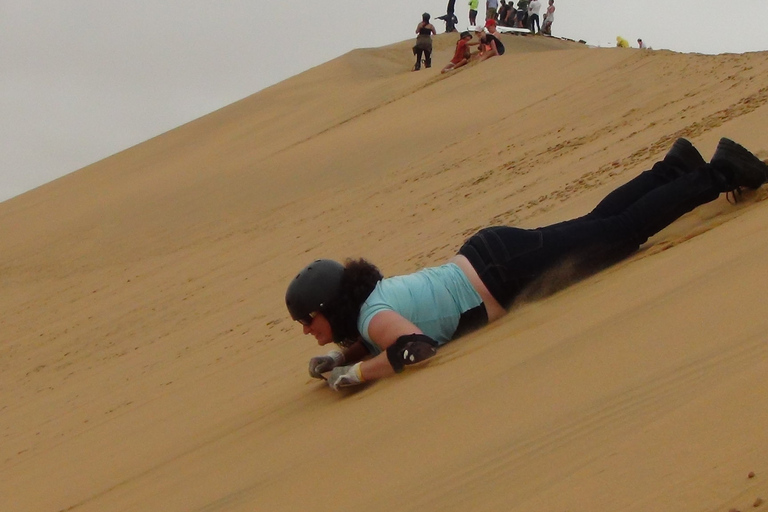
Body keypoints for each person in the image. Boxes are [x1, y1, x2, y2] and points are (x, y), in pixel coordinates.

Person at [286, 138, 768, 391]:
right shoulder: (370, 311)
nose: (307, 329)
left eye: (309, 319)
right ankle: (674, 168)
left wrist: (357, 375)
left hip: (503, 270)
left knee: (621, 235)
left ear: (331, 305)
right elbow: (379, 338)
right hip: (493, 259)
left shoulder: (374, 316)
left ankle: (720, 171)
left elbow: (411, 347)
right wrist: (338, 357)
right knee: (600, 226)